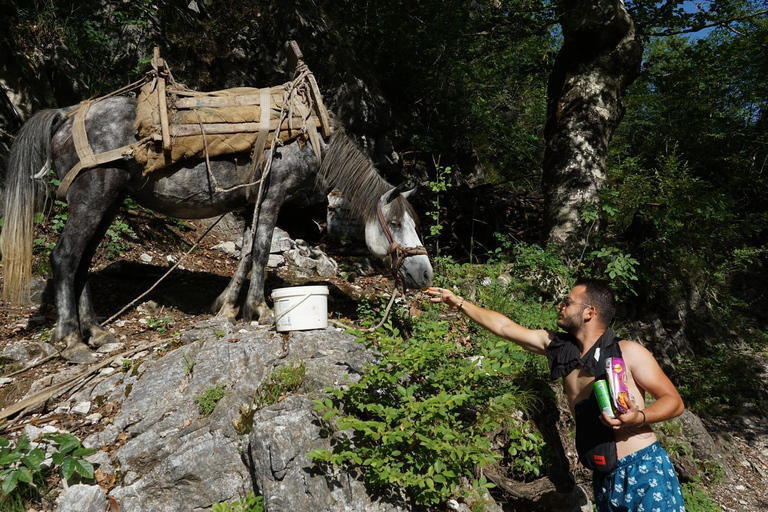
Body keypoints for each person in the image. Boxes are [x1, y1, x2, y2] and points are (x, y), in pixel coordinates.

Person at [428, 278, 686, 512]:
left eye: (568, 302)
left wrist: (639, 417)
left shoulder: (628, 352)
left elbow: (674, 402)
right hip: (603, 475)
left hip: (643, 468)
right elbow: (504, 327)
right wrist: (459, 302)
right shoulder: (561, 349)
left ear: (589, 312)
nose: (560, 306)